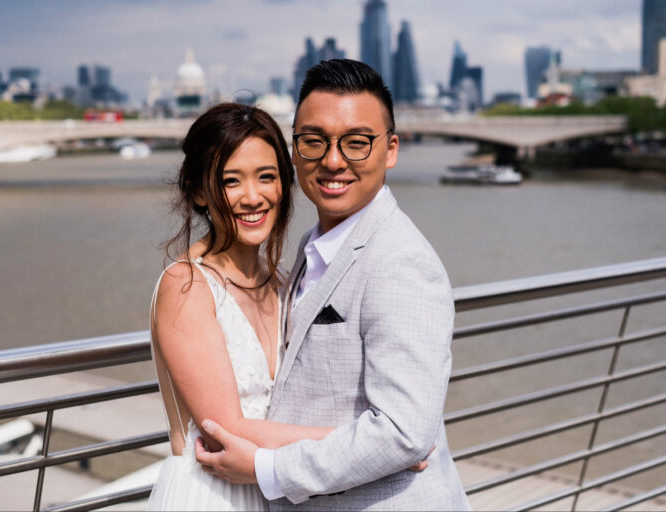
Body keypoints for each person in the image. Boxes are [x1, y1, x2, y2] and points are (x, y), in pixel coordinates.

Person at [196, 59, 471, 510]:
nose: (333, 161)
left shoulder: (400, 262)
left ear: (391, 149)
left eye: (357, 143)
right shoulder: (313, 244)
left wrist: (267, 469)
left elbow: (404, 433)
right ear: (295, 149)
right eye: (314, 141)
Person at [147, 103, 428, 511]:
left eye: (267, 177)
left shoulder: (282, 279)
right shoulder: (186, 284)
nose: (253, 197)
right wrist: (380, 447)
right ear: (198, 191)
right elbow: (224, 428)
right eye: (231, 181)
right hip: (212, 493)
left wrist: (381, 443)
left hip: (276, 489)